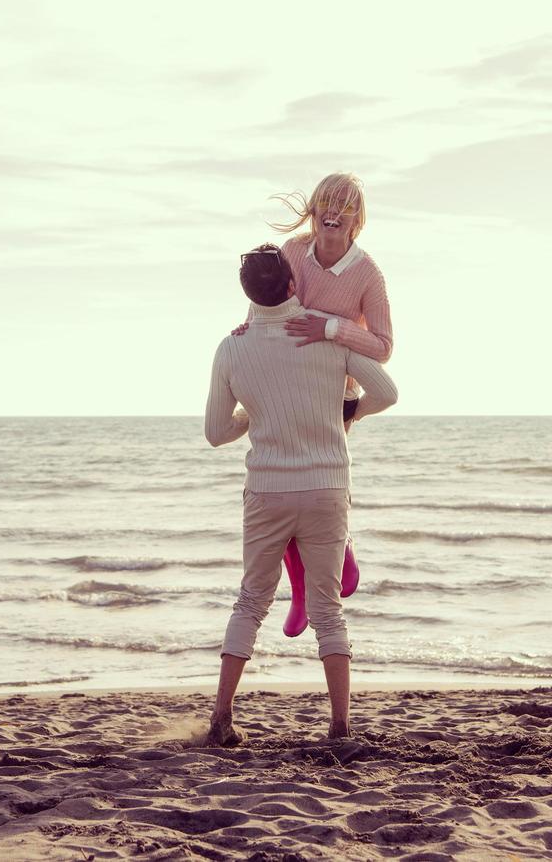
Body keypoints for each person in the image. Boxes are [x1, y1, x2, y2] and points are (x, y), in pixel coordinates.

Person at [205, 244, 398, 744]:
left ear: (248, 295)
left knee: (251, 601)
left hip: (267, 488)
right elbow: (386, 393)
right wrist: (347, 414)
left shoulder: (232, 347)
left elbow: (215, 432)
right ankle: (339, 727)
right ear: (292, 285)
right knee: (328, 607)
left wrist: (256, 415)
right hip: (327, 487)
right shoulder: (323, 331)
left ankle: (222, 718)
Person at [233, 172, 394, 637]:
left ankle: (340, 557)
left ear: (356, 219)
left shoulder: (367, 274)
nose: (334, 210)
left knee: (318, 485)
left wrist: (327, 327)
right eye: (327, 201)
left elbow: (382, 346)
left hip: (333, 392)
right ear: (315, 208)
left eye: (345, 205)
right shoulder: (293, 253)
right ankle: (301, 590)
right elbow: (269, 303)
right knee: (280, 484)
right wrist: (249, 325)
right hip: (285, 385)